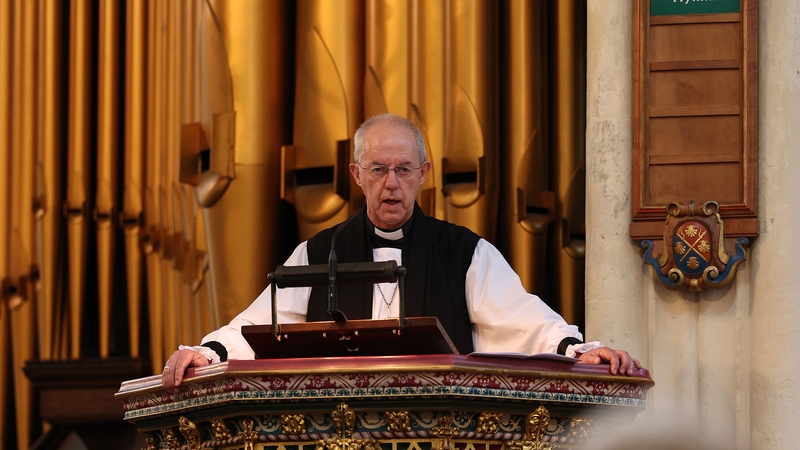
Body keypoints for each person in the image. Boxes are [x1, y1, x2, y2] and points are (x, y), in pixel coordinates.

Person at [162, 113, 640, 393]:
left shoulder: (465, 253)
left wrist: (585, 351)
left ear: (424, 172)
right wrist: (206, 352)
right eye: (378, 170)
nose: (391, 184)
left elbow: (527, 323)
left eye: (404, 170)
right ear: (355, 174)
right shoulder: (317, 252)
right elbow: (258, 324)